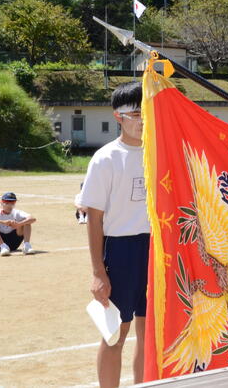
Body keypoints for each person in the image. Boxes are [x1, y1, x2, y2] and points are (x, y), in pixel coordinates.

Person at [78, 81, 149, 387]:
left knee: (149, 335)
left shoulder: (159, 153)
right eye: (135, 114)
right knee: (115, 335)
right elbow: (94, 219)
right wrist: (98, 272)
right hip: (121, 251)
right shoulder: (106, 158)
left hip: (156, 249)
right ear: (118, 116)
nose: (142, 120)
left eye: (147, 112)